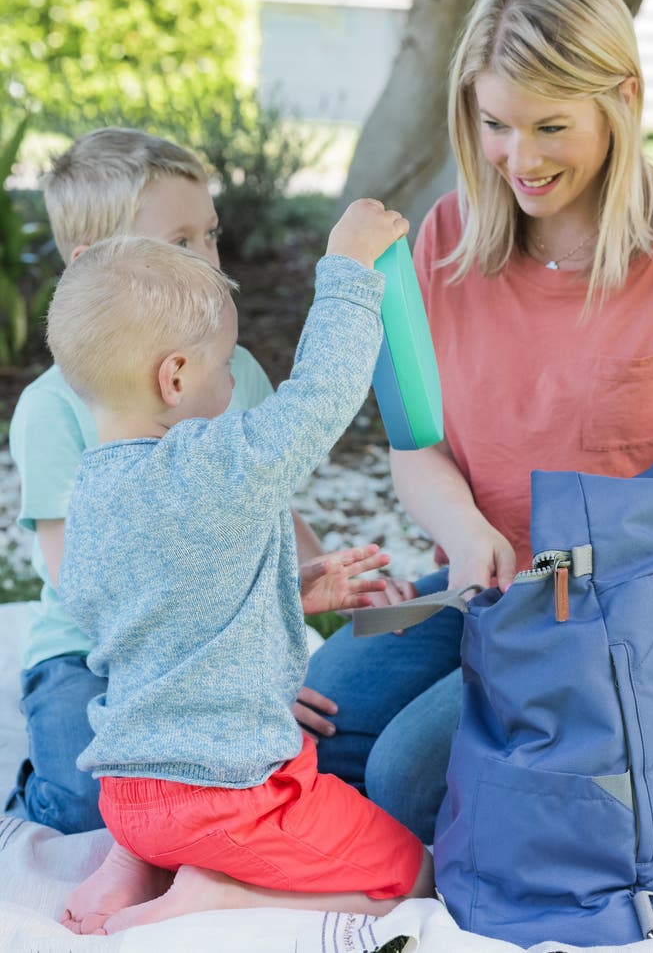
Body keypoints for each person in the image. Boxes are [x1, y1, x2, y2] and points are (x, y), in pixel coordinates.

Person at [306, 0, 653, 845]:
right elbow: (419, 447)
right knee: (315, 723)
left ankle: (648, 766)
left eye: (551, 126)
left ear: (623, 99)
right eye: (495, 125)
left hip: (648, 615)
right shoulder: (448, 235)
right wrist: (464, 531)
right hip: (494, 590)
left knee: (408, 779)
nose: (518, 159)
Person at [5, 127, 408, 834]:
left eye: (210, 236)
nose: (209, 261)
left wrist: (330, 586)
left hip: (214, 640)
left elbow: (261, 502)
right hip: (94, 648)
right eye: (179, 244)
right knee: (84, 805)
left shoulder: (231, 375)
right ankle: (32, 790)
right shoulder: (49, 409)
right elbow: (84, 581)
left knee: (316, 757)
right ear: (93, 267)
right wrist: (221, 697)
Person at [48, 203, 433, 937]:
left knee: (171, 822)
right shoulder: (215, 464)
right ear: (176, 377)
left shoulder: (91, 496)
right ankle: (225, 893)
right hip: (228, 799)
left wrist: (284, 591)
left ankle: (134, 863)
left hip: (128, 797)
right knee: (412, 873)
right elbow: (320, 399)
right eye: (226, 366)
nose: (233, 383)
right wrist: (349, 270)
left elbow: (159, 619)